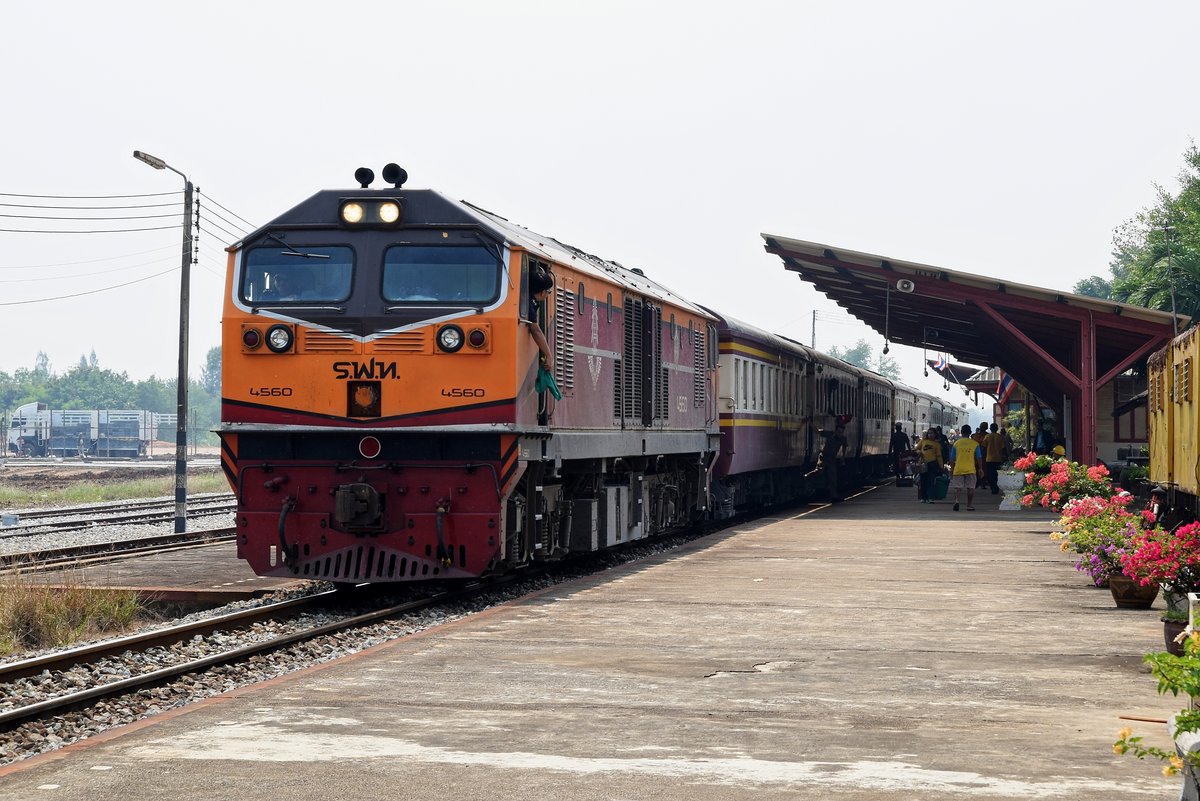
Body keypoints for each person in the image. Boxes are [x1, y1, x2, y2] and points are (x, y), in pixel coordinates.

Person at [525, 267, 555, 371]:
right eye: (549, 291)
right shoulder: (528, 304)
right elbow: (536, 330)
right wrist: (549, 355)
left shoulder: (527, 300)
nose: (547, 295)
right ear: (543, 292)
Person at [948, 423, 983, 511]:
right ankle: (969, 505)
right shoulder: (975, 444)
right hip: (970, 469)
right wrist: (980, 468)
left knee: (958, 487)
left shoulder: (956, 443)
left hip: (958, 468)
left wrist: (952, 468)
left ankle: (957, 501)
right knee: (971, 487)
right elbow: (979, 457)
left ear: (961, 432)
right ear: (970, 432)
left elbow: (952, 458)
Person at [820, 422, 849, 502]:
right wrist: (810, 423)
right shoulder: (829, 434)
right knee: (818, 472)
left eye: (841, 432)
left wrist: (843, 457)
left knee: (833, 478)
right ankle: (806, 477)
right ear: (835, 431)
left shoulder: (843, 438)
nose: (840, 433)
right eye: (839, 432)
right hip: (823, 457)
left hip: (831, 459)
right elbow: (818, 431)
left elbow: (844, 447)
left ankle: (834, 496)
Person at [916, 428, 944, 504]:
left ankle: (930, 497)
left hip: (932, 464)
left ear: (935, 434)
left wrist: (941, 466)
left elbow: (939, 456)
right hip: (923, 463)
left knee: (930, 481)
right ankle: (923, 497)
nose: (930, 435)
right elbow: (917, 449)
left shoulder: (937, 444)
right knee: (923, 481)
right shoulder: (923, 441)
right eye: (929, 433)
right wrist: (919, 452)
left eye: (932, 433)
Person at [983, 423, 1008, 495]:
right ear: (997, 429)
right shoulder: (1000, 437)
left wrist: (983, 457)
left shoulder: (987, 437)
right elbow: (1003, 449)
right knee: (997, 475)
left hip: (989, 459)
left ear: (990, 429)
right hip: (998, 459)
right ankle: (996, 487)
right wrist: (1006, 456)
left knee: (990, 474)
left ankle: (993, 488)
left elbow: (984, 448)